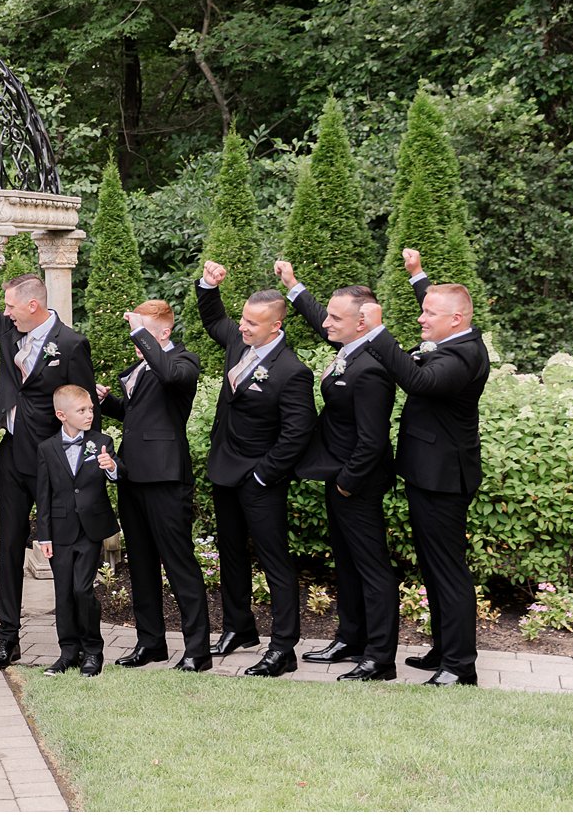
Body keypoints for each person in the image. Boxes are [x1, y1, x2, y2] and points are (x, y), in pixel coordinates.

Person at [0, 236, 96, 670]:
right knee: (9, 545)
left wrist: (86, 460)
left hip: (53, 462)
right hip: (11, 456)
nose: (6, 311)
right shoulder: (10, 330)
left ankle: (77, 644)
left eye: (12, 305)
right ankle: (7, 639)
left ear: (34, 306)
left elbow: (88, 405)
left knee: (63, 550)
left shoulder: (70, 345)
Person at [363, 248, 489, 687]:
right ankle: (443, 648)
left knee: (448, 568)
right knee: (432, 566)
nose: (421, 318)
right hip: (425, 472)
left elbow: (416, 381)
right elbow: (435, 304)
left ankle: (460, 666)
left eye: (429, 313)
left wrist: (377, 331)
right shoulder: (452, 335)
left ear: (456, 320)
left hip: (443, 479)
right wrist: (419, 276)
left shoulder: (463, 357)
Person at [274, 261, 400, 682]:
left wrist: (347, 482)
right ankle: (351, 638)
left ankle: (379, 657)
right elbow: (320, 322)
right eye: (327, 313)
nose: (325, 323)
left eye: (335, 317)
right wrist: (293, 287)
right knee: (346, 562)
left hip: (357, 482)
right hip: (340, 476)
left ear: (362, 321)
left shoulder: (371, 369)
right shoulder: (351, 351)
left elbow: (373, 439)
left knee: (371, 567)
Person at [195, 260, 317, 678]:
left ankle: (283, 648)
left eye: (252, 323)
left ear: (276, 328)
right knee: (230, 554)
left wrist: (265, 474)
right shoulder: (238, 343)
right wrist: (208, 286)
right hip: (224, 470)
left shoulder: (292, 372)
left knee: (274, 561)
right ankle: (238, 627)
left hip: (260, 479)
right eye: (243, 319)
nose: (242, 327)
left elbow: (297, 433)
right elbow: (214, 318)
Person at [95, 300, 212, 673]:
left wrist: (138, 331)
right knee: (141, 565)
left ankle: (198, 650)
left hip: (166, 479)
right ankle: (151, 643)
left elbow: (167, 377)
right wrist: (108, 402)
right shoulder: (141, 368)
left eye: (145, 331)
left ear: (163, 332)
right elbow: (139, 415)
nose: (137, 339)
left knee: (179, 565)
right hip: (132, 476)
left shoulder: (183, 362)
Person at [35, 385, 120, 678]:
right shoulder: (46, 448)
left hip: (90, 529)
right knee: (63, 593)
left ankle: (93, 651)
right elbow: (43, 495)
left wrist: (112, 467)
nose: (88, 414)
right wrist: (43, 535)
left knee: (82, 589)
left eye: (90, 410)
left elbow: (117, 472)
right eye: (81, 410)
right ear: (62, 415)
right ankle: (68, 652)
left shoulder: (102, 441)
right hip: (59, 531)